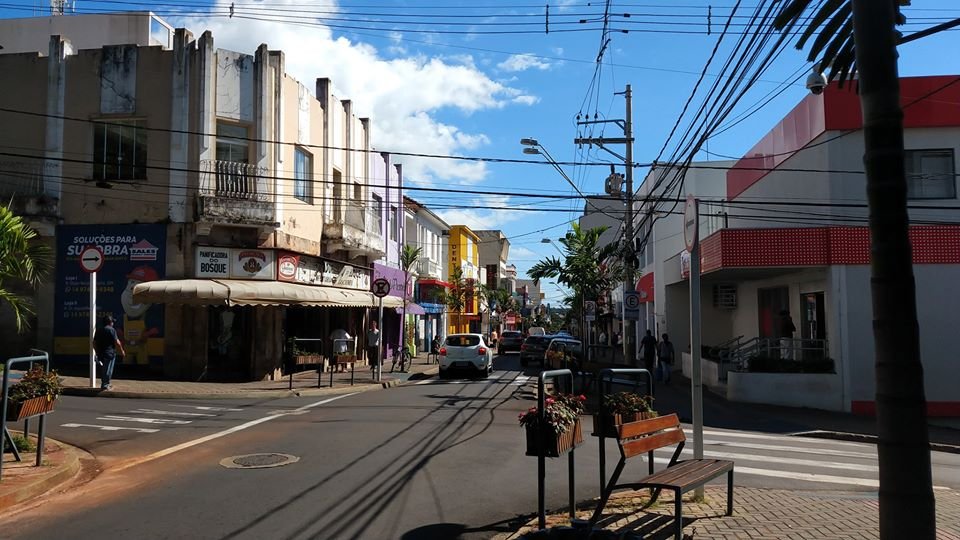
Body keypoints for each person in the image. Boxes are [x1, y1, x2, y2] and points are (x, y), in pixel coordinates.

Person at [93, 315, 126, 391]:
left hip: (101, 353)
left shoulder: (99, 330)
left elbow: (94, 342)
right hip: (110, 353)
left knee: (105, 368)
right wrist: (122, 351)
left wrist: (97, 351)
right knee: (108, 370)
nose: (113, 323)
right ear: (110, 322)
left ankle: (106, 383)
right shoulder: (111, 330)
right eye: (112, 322)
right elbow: (117, 342)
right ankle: (105, 384)